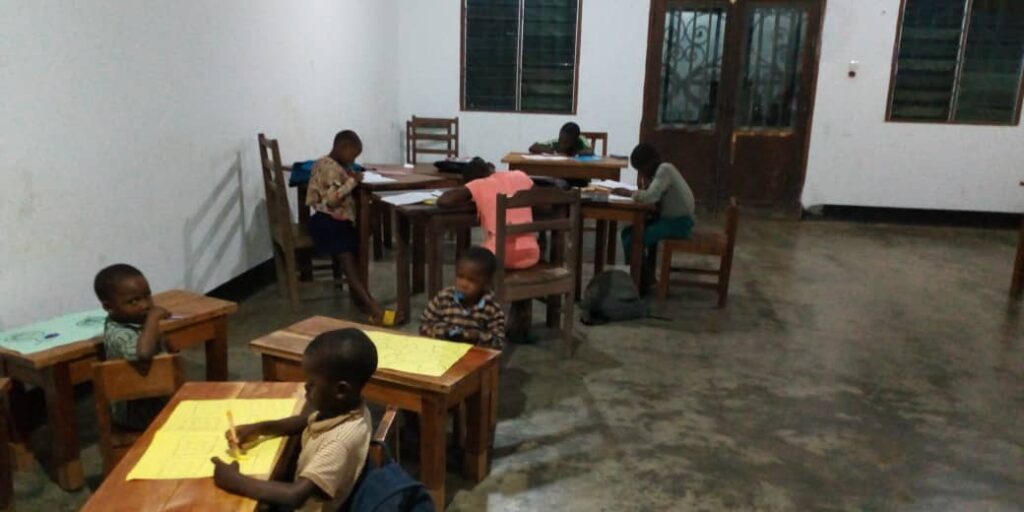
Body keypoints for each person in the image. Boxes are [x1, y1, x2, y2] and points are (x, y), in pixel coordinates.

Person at [211, 328, 377, 511]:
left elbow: (294, 496)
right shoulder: (349, 408)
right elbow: (306, 421)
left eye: (312, 384)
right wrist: (259, 428)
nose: (305, 388)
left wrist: (233, 480)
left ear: (341, 390)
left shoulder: (338, 443)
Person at [306, 130, 397, 325]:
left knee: (355, 248)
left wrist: (348, 176)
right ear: (342, 147)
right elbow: (332, 200)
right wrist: (353, 181)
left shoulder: (324, 162)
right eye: (352, 155)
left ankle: (363, 298)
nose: (353, 160)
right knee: (349, 260)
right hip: (327, 222)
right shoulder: (331, 168)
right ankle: (372, 306)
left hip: (331, 220)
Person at [93, 263, 171, 430]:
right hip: (135, 410)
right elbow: (143, 354)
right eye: (133, 301)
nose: (145, 305)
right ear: (109, 307)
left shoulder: (132, 320)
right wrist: (153, 318)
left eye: (147, 296)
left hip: (153, 393)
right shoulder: (119, 333)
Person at [613, 143, 695, 287]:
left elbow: (650, 197)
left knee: (633, 240)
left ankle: (641, 282)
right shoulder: (660, 172)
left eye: (641, 169)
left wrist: (629, 193)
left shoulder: (665, 170)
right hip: (670, 220)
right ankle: (644, 278)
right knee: (627, 232)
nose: (641, 173)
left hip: (679, 223)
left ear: (649, 163)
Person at [437, 157, 540, 270]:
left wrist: (468, 191)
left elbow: (444, 201)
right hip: (531, 255)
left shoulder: (479, 184)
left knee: (469, 260)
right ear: (491, 169)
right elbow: (541, 199)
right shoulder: (520, 176)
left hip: (498, 256)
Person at [420, 246, 505, 350]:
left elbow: (499, 341)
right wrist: (444, 332)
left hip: (474, 354)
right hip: (442, 351)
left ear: (486, 284)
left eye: (471, 280)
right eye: (460, 276)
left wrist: (476, 336)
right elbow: (424, 325)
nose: (463, 284)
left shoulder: (491, 308)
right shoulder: (444, 298)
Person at [528, 122, 593, 157]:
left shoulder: (581, 140)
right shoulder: (555, 142)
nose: (562, 144)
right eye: (560, 139)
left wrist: (571, 153)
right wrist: (554, 152)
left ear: (575, 140)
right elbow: (533, 147)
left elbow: (590, 152)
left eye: (566, 142)